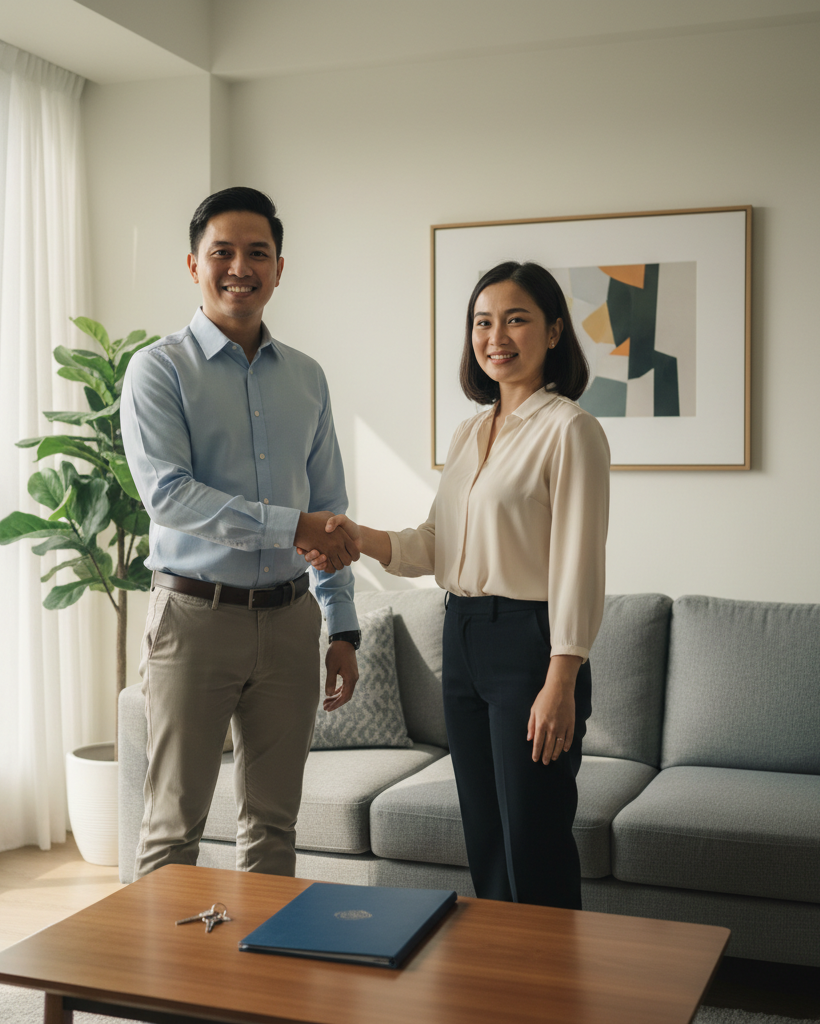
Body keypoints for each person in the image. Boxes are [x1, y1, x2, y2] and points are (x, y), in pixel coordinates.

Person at [303, 261, 610, 908]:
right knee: (488, 839)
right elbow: (436, 544)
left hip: (532, 645)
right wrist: (358, 536)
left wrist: (563, 677)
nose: (497, 335)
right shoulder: (472, 432)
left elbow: (580, 562)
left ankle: (556, 994)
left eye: (517, 319)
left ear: (554, 331)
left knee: (535, 837)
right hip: (463, 638)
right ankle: (504, 992)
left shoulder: (570, 431)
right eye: (482, 322)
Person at [120, 187, 363, 880]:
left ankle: (262, 984)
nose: (239, 267)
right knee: (172, 832)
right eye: (221, 251)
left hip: (291, 623)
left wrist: (341, 627)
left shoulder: (308, 379)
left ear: (279, 269)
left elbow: (330, 507)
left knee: (275, 829)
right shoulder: (157, 370)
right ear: (192, 265)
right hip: (194, 620)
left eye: (257, 253)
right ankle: (160, 990)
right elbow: (170, 497)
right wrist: (296, 526)